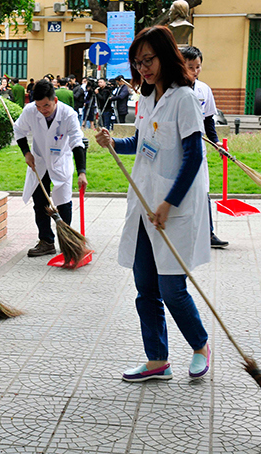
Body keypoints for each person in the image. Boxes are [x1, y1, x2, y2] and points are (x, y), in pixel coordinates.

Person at [95, 26, 210, 383]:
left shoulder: (184, 99)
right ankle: (157, 359)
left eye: (149, 59)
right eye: (137, 62)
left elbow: (193, 156)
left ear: (165, 55)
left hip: (172, 208)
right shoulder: (146, 99)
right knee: (145, 288)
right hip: (144, 203)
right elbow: (144, 143)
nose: (143, 68)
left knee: (172, 289)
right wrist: (114, 142)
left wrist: (168, 203)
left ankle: (200, 345)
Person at [13, 79, 88, 257]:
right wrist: (26, 153)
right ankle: (46, 241)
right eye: (39, 106)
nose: (43, 110)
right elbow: (19, 131)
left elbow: (77, 142)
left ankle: (67, 241)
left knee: (63, 202)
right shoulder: (30, 110)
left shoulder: (68, 114)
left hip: (60, 160)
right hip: (38, 161)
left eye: (46, 105)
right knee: (40, 202)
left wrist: (82, 172)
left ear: (54, 100)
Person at [181, 46, 229, 249]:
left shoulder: (204, 90)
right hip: (176, 148)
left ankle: (207, 233)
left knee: (202, 190)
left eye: (198, 66)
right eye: (190, 66)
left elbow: (208, 120)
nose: (195, 70)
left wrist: (216, 141)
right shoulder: (171, 90)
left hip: (198, 147)